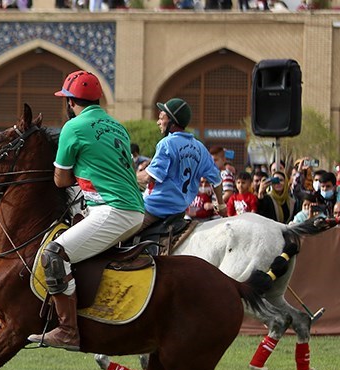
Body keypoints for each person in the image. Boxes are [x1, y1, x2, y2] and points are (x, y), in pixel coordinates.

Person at [27, 71, 144, 351]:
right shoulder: (118, 126)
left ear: (70, 102)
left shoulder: (74, 127)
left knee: (54, 253)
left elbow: (60, 180)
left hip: (112, 210)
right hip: (134, 209)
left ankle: (68, 330)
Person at [136, 98, 223, 229]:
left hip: (154, 209)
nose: (158, 122)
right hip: (179, 212)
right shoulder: (200, 148)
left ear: (171, 121)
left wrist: (129, 175)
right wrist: (221, 204)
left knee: (118, 236)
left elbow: (150, 177)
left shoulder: (167, 143)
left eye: (161, 118)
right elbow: (216, 179)